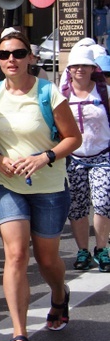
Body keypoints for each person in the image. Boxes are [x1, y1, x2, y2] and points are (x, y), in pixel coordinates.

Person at [0, 32, 82, 341]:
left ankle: (59, 295)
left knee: (47, 258)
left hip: (49, 186)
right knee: (16, 254)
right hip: (6, 185)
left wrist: (43, 157)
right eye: (5, 54)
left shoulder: (49, 93)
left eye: (19, 53)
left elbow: (72, 138)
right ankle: (19, 334)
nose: (12, 59)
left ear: (30, 59)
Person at [61, 45, 110, 272]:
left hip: (103, 155)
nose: (79, 69)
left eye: (84, 65)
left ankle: (101, 249)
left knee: (102, 203)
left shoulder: (105, 92)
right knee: (78, 207)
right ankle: (83, 251)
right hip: (74, 158)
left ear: (93, 68)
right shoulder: (61, 94)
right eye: (75, 66)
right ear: (69, 69)